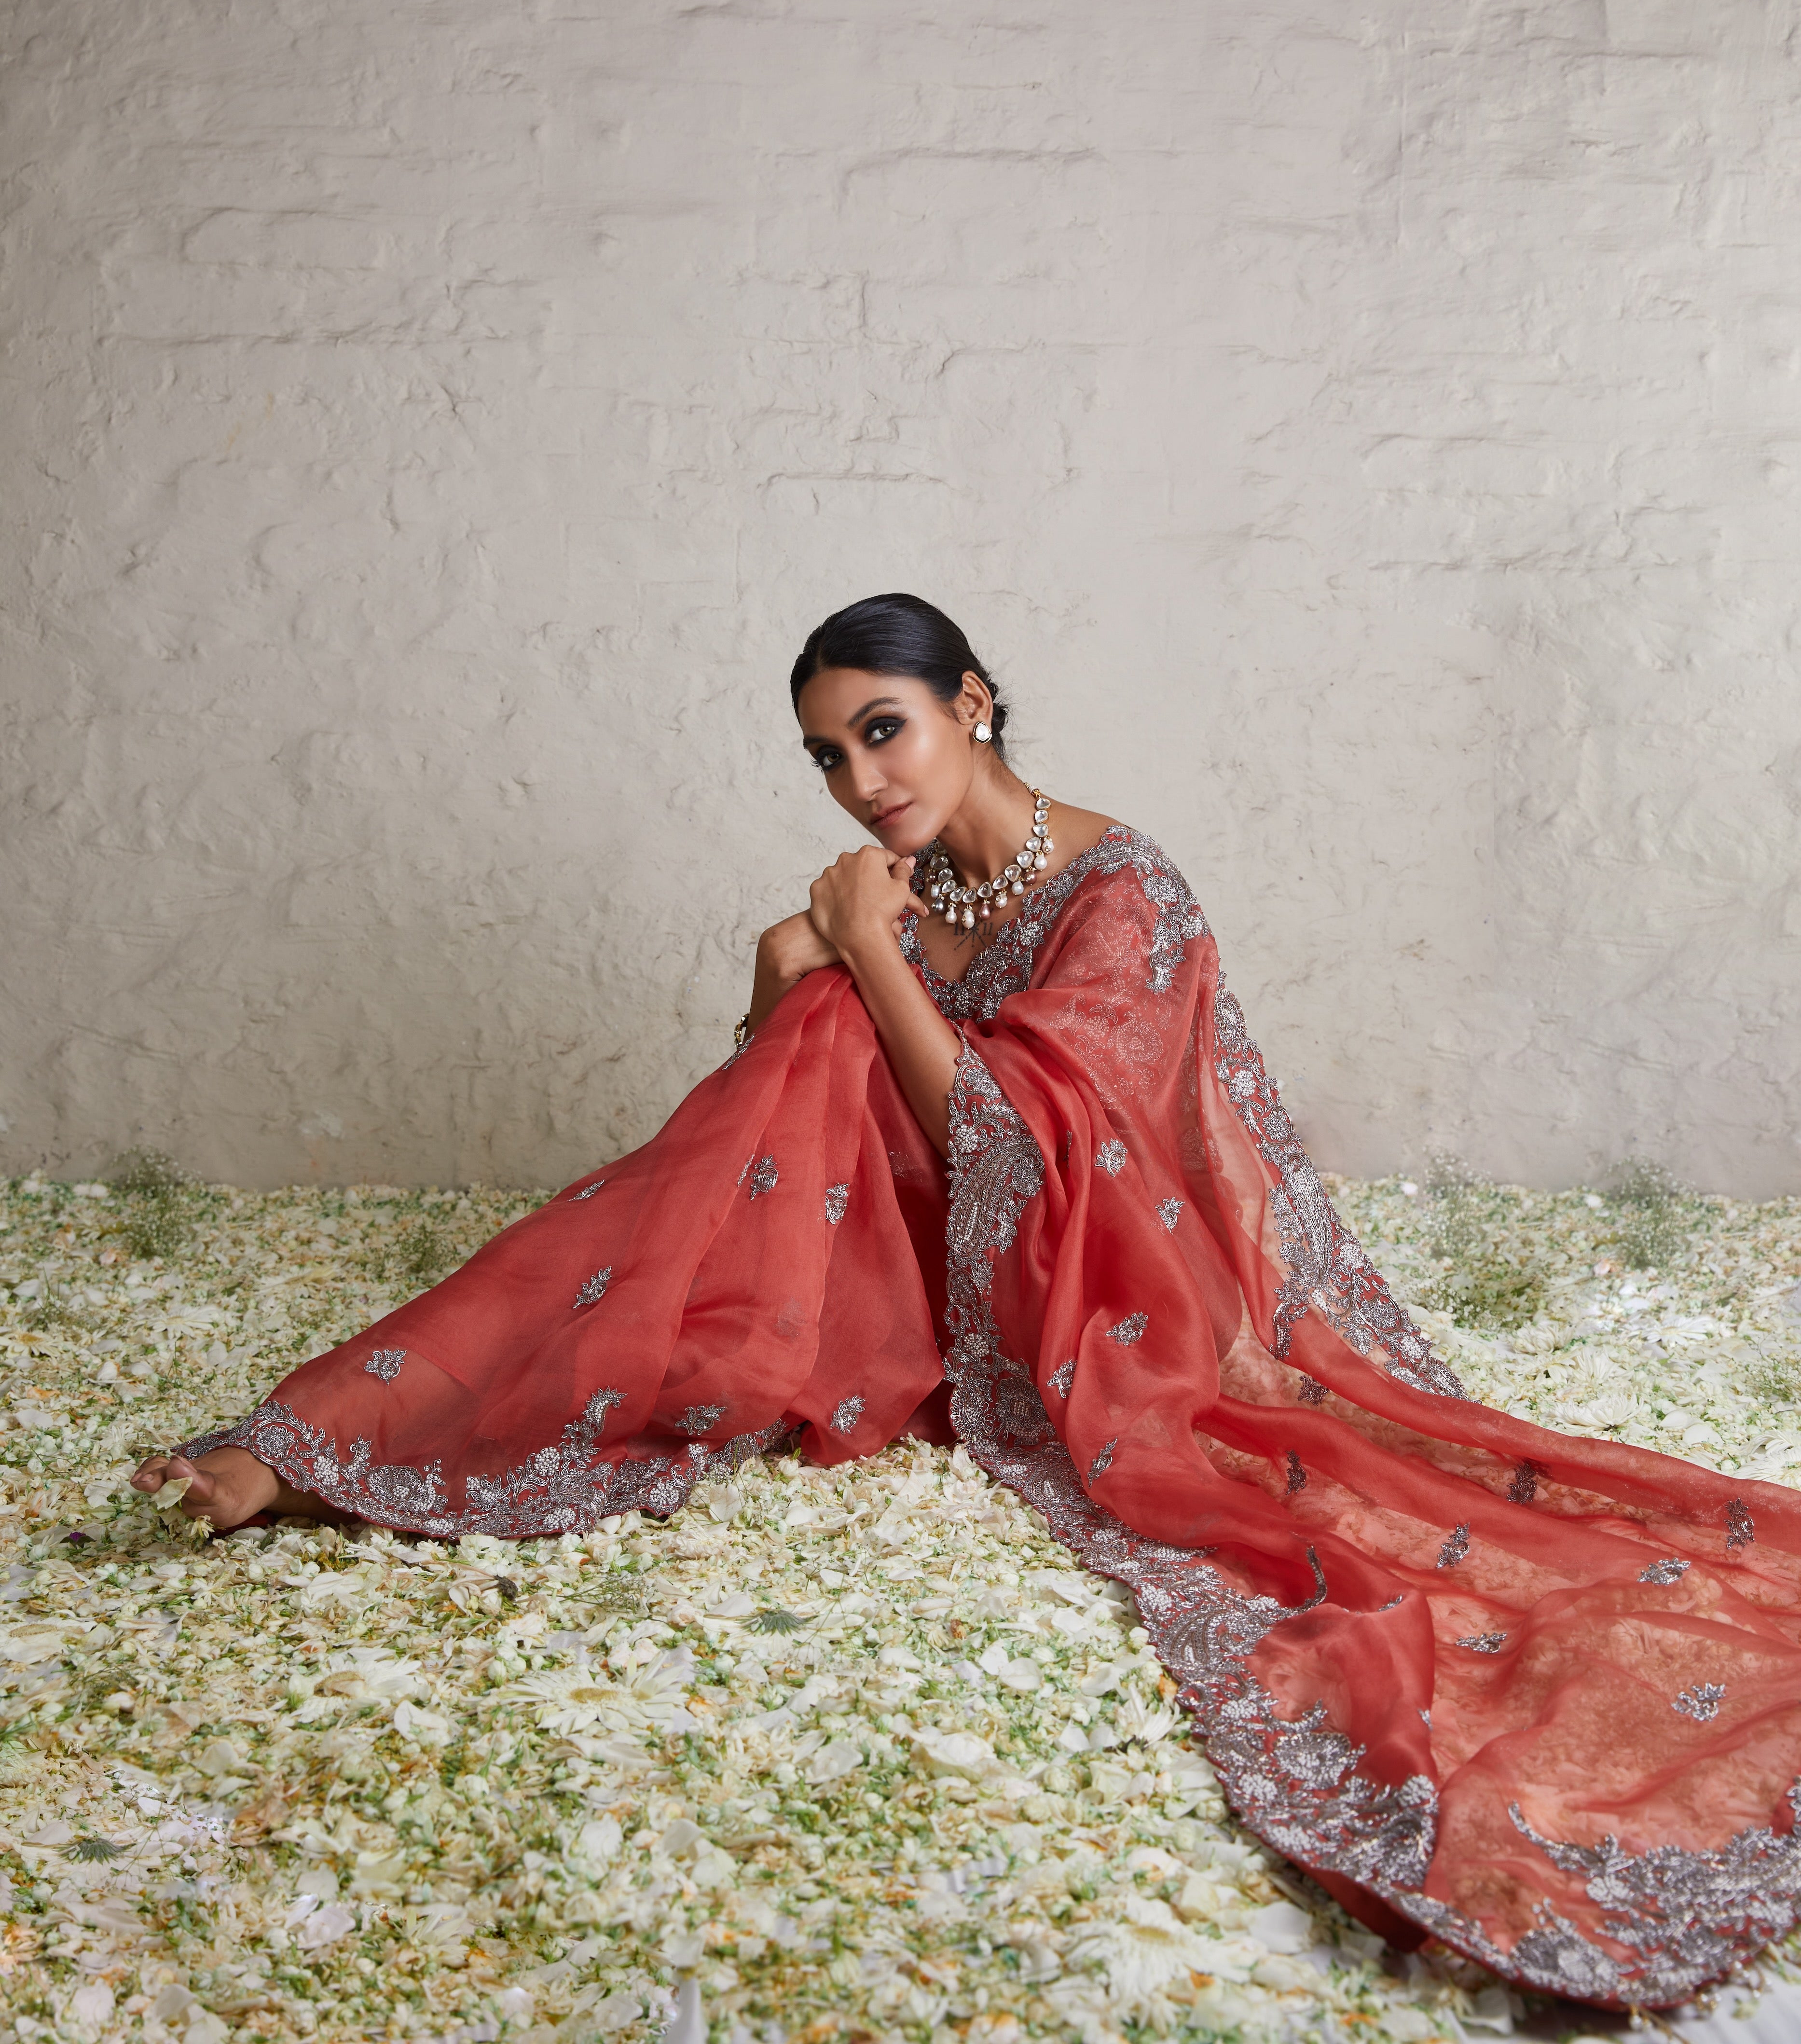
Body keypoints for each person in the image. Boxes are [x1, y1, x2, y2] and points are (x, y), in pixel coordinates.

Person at [132, 593, 1801, 2006]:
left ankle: (374, 1428)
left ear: (974, 704)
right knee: (772, 1080)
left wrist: (859, 956)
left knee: (834, 1038)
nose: (860, 784)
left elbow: (1030, 1169)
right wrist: (788, 978)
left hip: (1124, 1306)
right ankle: (341, 1435)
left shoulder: (1127, 895)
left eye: (885, 734)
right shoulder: (910, 890)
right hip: (927, 1269)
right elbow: (768, 1142)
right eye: (828, 757)